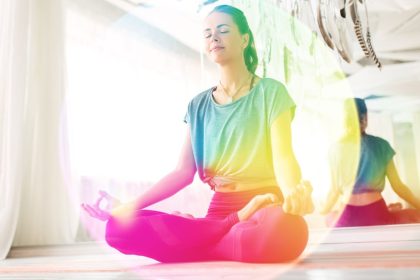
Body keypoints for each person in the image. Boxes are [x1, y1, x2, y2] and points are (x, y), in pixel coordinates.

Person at [82, 4, 313, 263]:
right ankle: (226, 232)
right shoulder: (198, 105)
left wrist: (292, 192)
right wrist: (128, 206)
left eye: (223, 30)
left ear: (245, 39)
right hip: (221, 211)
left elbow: (284, 158)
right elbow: (182, 172)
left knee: (287, 230)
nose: (214, 37)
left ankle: (201, 242)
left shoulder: (271, 92)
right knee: (117, 229)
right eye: (207, 33)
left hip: (265, 206)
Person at [320, 98, 420, 227]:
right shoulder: (381, 145)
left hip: (346, 217)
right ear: (365, 117)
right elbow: (398, 187)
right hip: (375, 212)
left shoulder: (334, 149)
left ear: (344, 120)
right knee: (411, 215)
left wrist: (323, 212)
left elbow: (334, 191)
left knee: (329, 218)